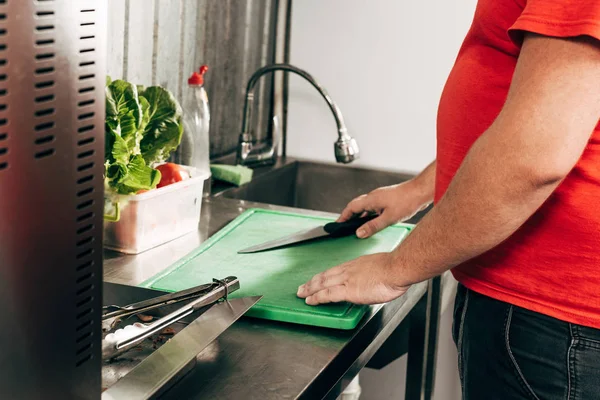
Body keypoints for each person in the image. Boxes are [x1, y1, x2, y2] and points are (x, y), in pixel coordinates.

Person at [297, 1, 600, 398]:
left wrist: (394, 269)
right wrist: (421, 188)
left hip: (549, 322)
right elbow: (527, 117)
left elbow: (532, 158)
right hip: (539, 313)